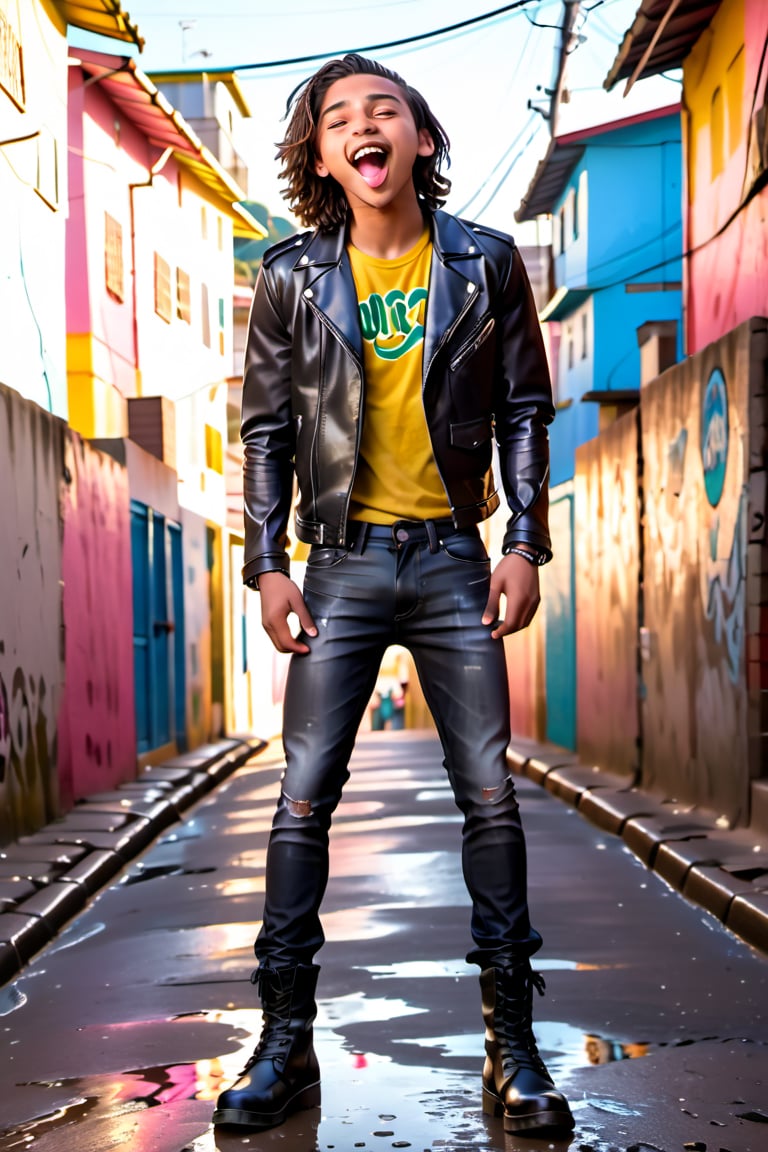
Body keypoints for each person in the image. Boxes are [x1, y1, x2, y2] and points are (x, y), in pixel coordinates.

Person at [213, 53, 573, 1138]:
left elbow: (522, 409)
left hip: (456, 558)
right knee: (303, 796)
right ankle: (284, 1045)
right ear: (323, 155)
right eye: (339, 119)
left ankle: (512, 1047)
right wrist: (267, 563)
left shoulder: (487, 264)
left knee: (491, 796)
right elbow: (267, 429)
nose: (365, 127)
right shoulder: (291, 279)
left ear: (418, 137)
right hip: (342, 563)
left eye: (386, 111)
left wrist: (525, 544)